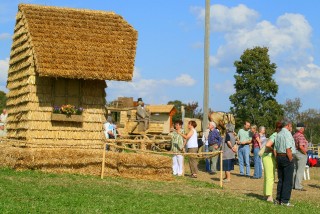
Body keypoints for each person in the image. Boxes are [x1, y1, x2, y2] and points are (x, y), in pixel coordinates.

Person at [274, 119, 296, 207]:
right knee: (288, 180)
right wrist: (291, 159)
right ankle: (285, 200)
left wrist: (277, 159)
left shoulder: (278, 134)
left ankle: (278, 199)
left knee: (281, 179)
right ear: (288, 125)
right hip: (286, 157)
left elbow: (275, 149)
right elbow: (288, 148)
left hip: (279, 156)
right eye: (291, 126)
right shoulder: (287, 134)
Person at [262, 121, 282, 202]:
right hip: (268, 156)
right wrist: (274, 150)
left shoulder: (275, 135)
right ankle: (269, 196)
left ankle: (265, 194)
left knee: (268, 177)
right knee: (270, 177)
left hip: (267, 156)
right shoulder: (275, 135)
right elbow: (268, 145)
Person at [292, 122, 308, 191]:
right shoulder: (301, 135)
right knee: (300, 170)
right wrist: (305, 153)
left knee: (295, 169)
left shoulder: (294, 135)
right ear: (301, 128)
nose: (304, 129)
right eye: (303, 127)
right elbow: (301, 146)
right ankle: (298, 186)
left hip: (294, 152)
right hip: (300, 153)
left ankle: (293, 184)